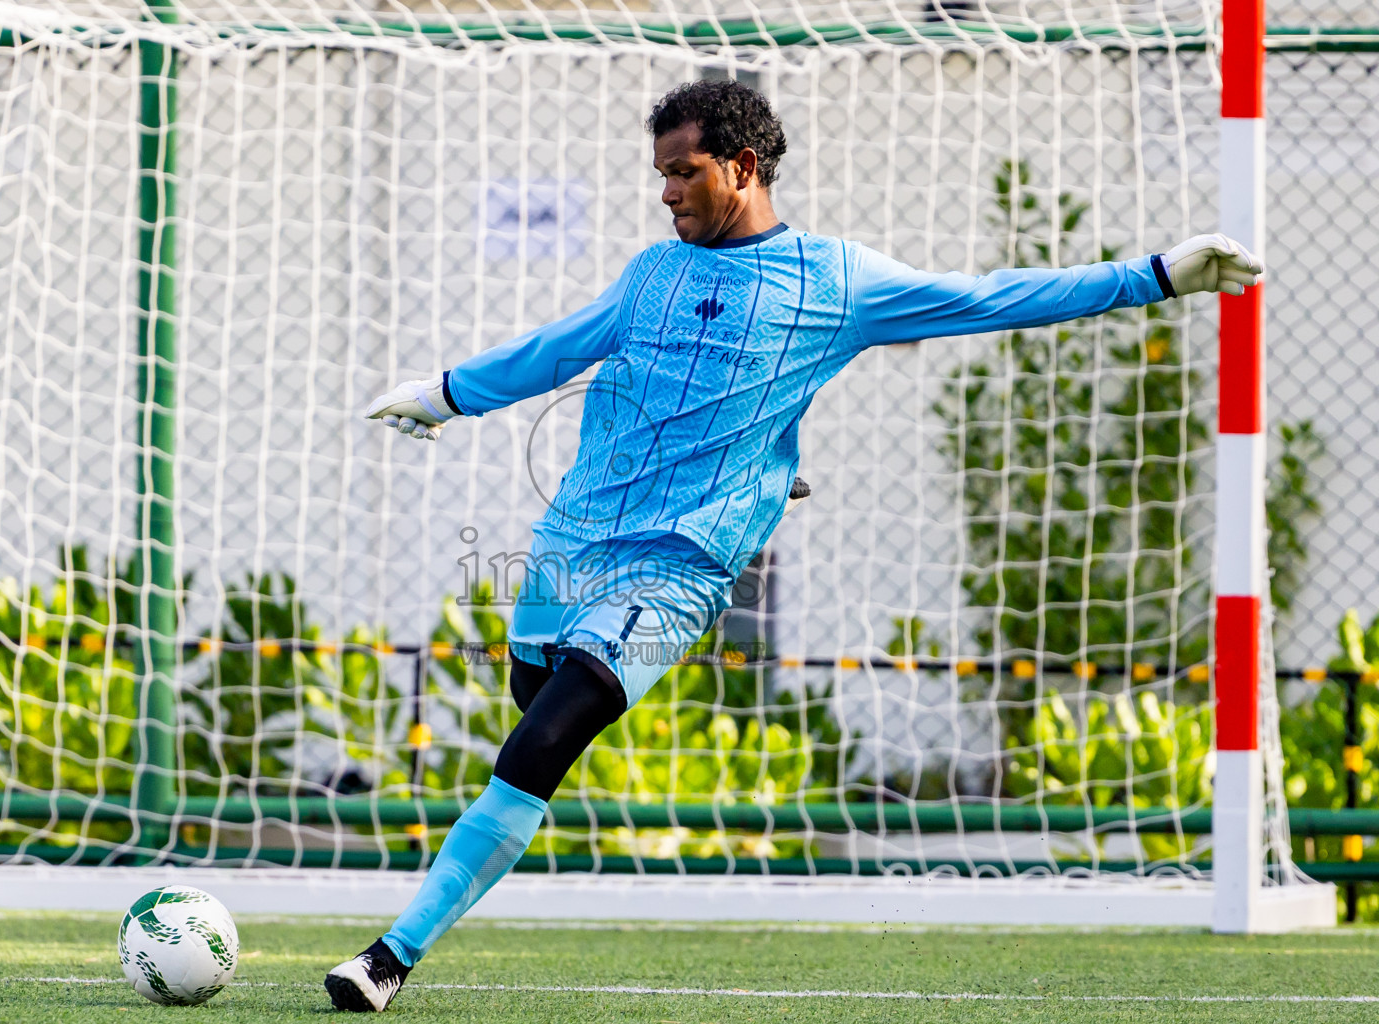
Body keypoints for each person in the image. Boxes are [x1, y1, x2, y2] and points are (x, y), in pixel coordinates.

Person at [324, 79, 1262, 1013]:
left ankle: (389, 956)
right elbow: (557, 348)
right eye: (659, 175)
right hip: (570, 547)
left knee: (550, 733)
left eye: (684, 173)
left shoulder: (836, 281)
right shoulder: (652, 274)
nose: (666, 194)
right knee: (532, 700)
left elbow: (992, 298)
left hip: (680, 569)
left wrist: (1155, 275)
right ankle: (766, 476)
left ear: (743, 166)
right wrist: (445, 393)